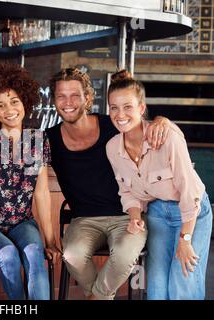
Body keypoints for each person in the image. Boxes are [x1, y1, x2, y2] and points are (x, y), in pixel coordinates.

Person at [46, 67, 174, 300]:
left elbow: (141, 124)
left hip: (128, 215)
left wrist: (162, 120)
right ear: (53, 100)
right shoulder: (50, 139)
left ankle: (96, 297)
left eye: (75, 95)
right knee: (72, 255)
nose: (68, 102)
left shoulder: (112, 125)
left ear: (87, 97)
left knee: (125, 256)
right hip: (84, 220)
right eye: (61, 96)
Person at [106, 70, 212, 300]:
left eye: (127, 107)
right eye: (114, 107)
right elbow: (126, 191)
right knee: (155, 286)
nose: (120, 114)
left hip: (192, 212)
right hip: (157, 213)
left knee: (182, 283)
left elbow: (189, 191)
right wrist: (135, 215)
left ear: (141, 108)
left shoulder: (167, 136)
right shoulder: (113, 147)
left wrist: (185, 239)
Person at [0, 62, 61, 300]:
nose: (9, 110)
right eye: (1, 105)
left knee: (34, 254)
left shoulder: (37, 138)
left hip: (23, 223)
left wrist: (50, 240)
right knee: (8, 255)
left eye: (14, 101)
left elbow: (41, 194)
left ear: (25, 102)